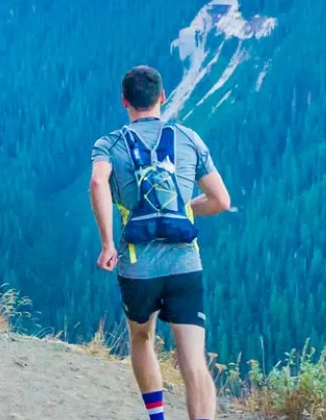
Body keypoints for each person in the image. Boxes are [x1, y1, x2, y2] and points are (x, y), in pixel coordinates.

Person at [90, 65, 232, 420]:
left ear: (125, 101)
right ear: (162, 97)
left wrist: (108, 243)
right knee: (194, 362)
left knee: (142, 338)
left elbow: (97, 184)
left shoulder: (110, 144)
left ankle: (157, 418)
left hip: (139, 266)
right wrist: (184, 211)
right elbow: (221, 201)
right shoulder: (188, 138)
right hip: (185, 263)